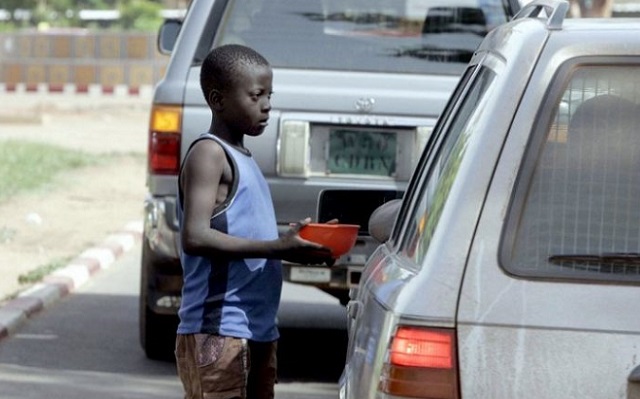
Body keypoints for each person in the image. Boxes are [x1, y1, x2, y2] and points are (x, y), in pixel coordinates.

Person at [174, 44, 333, 399]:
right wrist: (278, 247)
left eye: (269, 95)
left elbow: (246, 232)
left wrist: (298, 242)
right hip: (218, 329)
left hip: (257, 329)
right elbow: (195, 236)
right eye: (256, 95)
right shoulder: (209, 153)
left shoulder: (244, 157)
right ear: (218, 99)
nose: (267, 105)